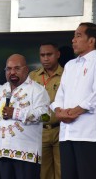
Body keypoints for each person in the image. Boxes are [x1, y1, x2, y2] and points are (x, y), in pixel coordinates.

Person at [50, 22, 96, 179]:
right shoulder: (70, 65)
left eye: (78, 36)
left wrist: (75, 111)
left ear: (91, 41)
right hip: (66, 133)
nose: (73, 40)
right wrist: (59, 111)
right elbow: (59, 95)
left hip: (87, 134)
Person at [0, 54, 50, 179]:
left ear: (26, 69)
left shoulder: (37, 90)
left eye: (17, 68)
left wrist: (16, 113)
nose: (12, 72)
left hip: (26, 154)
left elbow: (46, 116)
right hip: (3, 151)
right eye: (8, 69)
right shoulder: (1, 90)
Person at [29, 42, 63, 179]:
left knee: (63, 171)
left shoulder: (67, 74)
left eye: (49, 54)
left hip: (61, 129)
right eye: (42, 55)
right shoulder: (33, 76)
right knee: (44, 173)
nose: (45, 58)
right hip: (39, 130)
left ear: (58, 55)